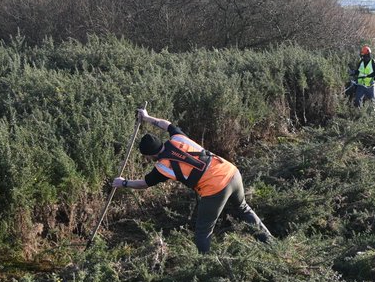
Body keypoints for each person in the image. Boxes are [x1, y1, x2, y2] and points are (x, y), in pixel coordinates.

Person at [111, 108, 273, 252]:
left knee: (203, 232)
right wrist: (147, 117)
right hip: (231, 171)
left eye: (146, 156)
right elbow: (166, 124)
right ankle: (272, 244)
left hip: (216, 189)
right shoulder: (178, 138)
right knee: (243, 209)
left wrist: (123, 183)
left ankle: (206, 269)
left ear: (149, 155)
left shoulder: (162, 168)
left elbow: (144, 184)